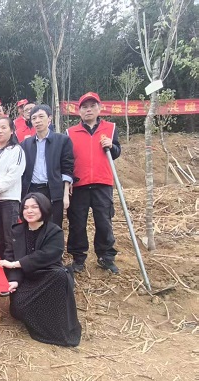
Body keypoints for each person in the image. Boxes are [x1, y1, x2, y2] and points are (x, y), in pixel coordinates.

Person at [0, 193, 81, 347]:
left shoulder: (54, 231)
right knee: (18, 309)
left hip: (48, 276)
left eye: (34, 207)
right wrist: (14, 280)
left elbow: (48, 255)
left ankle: (54, 326)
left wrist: (17, 264)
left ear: (43, 209)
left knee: (60, 275)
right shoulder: (16, 231)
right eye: (26, 208)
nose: (29, 211)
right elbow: (10, 256)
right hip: (26, 278)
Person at [66, 92, 122, 274]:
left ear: (99, 108)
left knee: (104, 221)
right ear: (79, 111)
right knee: (77, 223)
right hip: (79, 184)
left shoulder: (110, 128)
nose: (88, 110)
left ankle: (106, 257)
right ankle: (78, 258)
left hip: (102, 183)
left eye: (92, 106)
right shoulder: (70, 132)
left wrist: (111, 146)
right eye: (84, 107)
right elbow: (67, 159)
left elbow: (116, 152)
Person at [21, 104, 74, 227]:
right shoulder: (25, 144)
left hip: (52, 190)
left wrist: (65, 194)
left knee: (53, 226)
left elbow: (67, 168)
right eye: (34, 118)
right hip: (31, 190)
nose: (37, 121)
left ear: (49, 118)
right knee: (33, 226)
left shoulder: (62, 140)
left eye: (41, 117)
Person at [0, 117, 26, 260]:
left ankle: (12, 267)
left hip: (9, 200)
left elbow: (14, 175)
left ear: (12, 131)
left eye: (3, 128)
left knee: (10, 237)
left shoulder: (16, 150)